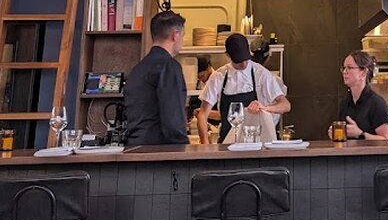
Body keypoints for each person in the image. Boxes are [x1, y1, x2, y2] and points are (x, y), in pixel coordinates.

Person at [197, 33, 290, 143]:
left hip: (254, 144)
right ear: (228, 55)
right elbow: (202, 115)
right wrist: (205, 143)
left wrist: (265, 108)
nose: (244, 64)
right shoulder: (219, 76)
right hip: (226, 143)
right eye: (239, 61)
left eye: (246, 59)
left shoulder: (261, 73)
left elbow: (285, 105)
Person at [123, 10, 189, 145]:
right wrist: (183, 148)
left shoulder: (138, 69)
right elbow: (173, 117)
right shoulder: (169, 66)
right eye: (182, 36)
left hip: (135, 146)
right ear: (175, 35)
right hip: (159, 149)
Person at [331, 50, 388, 140]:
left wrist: (360, 134)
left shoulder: (376, 103)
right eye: (343, 68)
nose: (344, 71)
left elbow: (386, 139)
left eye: (349, 68)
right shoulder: (345, 102)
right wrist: (336, 134)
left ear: (363, 72)